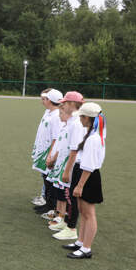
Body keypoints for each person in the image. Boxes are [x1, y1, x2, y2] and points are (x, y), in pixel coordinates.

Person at [65, 102, 106, 259]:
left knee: (89, 213)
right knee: (83, 211)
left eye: (81, 116)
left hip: (87, 176)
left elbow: (89, 165)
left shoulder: (94, 138)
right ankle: (81, 242)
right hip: (83, 173)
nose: (80, 120)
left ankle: (86, 248)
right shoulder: (91, 133)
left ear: (87, 118)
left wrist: (80, 185)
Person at [52, 91, 85, 241]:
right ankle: (65, 223)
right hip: (67, 164)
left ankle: (71, 228)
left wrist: (67, 170)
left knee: (70, 197)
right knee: (67, 194)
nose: (62, 105)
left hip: (72, 166)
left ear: (72, 104)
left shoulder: (77, 123)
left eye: (65, 102)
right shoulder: (72, 121)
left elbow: (74, 149)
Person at [31, 88, 63, 215]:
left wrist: (50, 155)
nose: (42, 102)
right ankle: (48, 203)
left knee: (49, 178)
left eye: (45, 99)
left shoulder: (56, 116)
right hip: (43, 150)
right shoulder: (49, 112)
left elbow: (56, 138)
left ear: (50, 100)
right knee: (45, 177)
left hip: (48, 152)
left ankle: (51, 205)